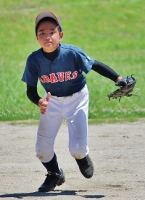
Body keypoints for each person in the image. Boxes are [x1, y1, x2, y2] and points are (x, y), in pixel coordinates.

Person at [22, 10, 122, 192]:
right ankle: (55, 174)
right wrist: (38, 101)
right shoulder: (34, 60)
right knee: (42, 150)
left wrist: (118, 79)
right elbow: (30, 90)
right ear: (36, 38)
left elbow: (95, 65)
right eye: (41, 33)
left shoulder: (72, 53)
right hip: (51, 101)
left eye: (51, 31)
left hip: (77, 98)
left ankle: (82, 157)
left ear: (60, 35)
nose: (47, 36)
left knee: (77, 149)